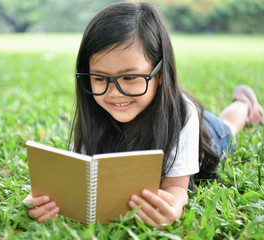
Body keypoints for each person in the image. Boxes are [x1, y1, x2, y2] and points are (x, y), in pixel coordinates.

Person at [24, 2, 264, 228]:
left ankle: (244, 104)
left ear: (159, 73)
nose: (114, 93)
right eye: (99, 78)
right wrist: (46, 198)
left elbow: (175, 188)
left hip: (206, 133)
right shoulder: (94, 109)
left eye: (129, 77)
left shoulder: (183, 116)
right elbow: (81, 179)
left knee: (228, 128)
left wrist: (175, 207)